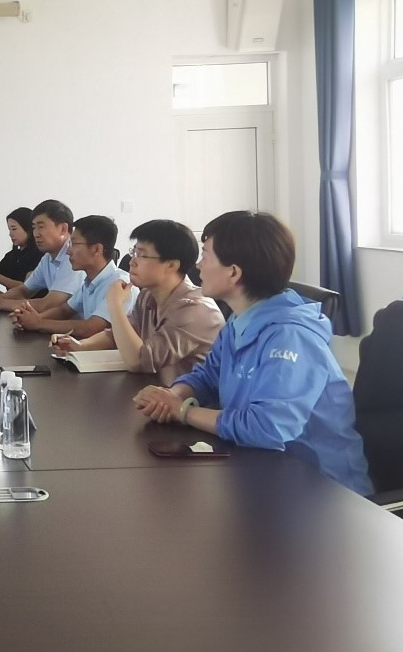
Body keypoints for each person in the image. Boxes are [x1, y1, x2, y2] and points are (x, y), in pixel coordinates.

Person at [132, 211, 372, 495]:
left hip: (320, 490)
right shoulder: (240, 320)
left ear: (233, 272)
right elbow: (208, 376)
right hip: (261, 471)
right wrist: (174, 395)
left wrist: (183, 412)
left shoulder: (290, 336)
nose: (197, 266)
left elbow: (266, 427)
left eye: (205, 256)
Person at [54, 219, 224, 372]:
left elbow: (139, 361)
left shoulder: (196, 310)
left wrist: (115, 304)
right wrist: (81, 345)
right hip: (154, 391)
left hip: (187, 396)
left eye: (142, 255)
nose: (132, 261)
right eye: (134, 252)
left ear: (171, 265)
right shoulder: (147, 296)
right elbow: (118, 334)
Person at [11, 215, 138, 339]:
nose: (68, 251)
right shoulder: (89, 281)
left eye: (74, 244)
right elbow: (64, 310)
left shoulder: (120, 284)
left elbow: (90, 328)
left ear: (96, 249)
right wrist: (31, 319)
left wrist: (39, 323)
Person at [0, 199, 83, 313]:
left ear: (63, 229)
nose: (36, 234)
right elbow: (24, 290)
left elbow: (48, 305)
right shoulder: (47, 258)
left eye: (41, 227)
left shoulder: (73, 258)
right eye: (34, 227)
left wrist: (0, 303)